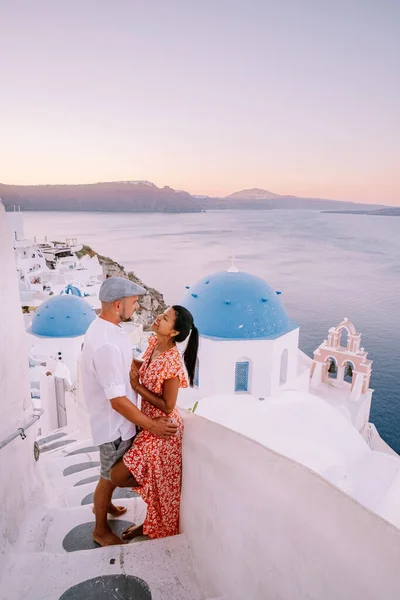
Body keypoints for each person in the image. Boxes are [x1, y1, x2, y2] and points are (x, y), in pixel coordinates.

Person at [80, 277, 178, 547]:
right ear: (117, 304)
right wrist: (152, 426)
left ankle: (106, 505)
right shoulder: (107, 344)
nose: (136, 308)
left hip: (117, 423)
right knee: (108, 478)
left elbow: (124, 364)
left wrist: (147, 367)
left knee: (108, 477)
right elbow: (118, 401)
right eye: (134, 303)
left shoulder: (108, 327)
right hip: (114, 425)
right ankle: (100, 530)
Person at [110, 305, 198, 540]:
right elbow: (145, 367)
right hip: (149, 424)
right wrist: (122, 359)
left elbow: (169, 406)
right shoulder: (154, 345)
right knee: (156, 484)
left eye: (166, 318)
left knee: (119, 476)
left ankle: (152, 526)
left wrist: (137, 387)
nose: (159, 317)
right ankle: (149, 524)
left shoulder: (172, 362)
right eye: (162, 313)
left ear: (174, 333)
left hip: (162, 429)